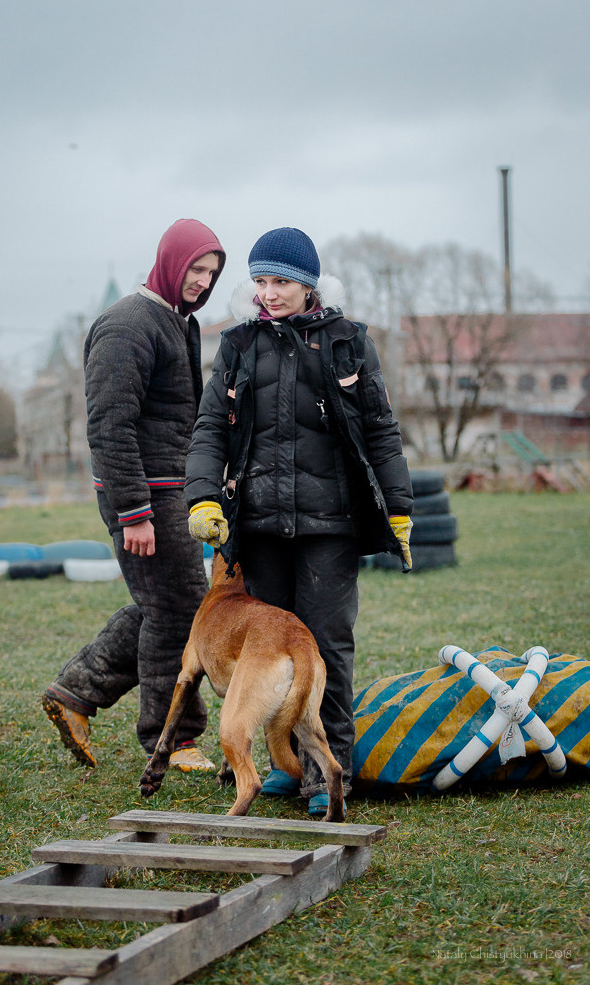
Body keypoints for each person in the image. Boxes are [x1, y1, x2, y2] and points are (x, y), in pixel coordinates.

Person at [185, 227, 413, 815]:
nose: (268, 293)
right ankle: (284, 763)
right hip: (257, 528)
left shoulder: (348, 342)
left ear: (309, 284)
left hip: (329, 526)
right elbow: (210, 427)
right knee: (268, 656)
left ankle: (327, 776)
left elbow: (382, 429)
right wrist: (204, 499)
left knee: (328, 646)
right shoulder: (237, 344)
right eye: (260, 281)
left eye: (281, 281)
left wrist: (400, 506)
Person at [42, 218, 225, 772]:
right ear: (170, 261)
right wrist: (133, 513)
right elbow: (109, 426)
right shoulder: (126, 324)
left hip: (176, 490)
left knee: (164, 606)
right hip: (145, 495)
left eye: (211, 273)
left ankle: (75, 693)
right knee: (178, 611)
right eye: (195, 268)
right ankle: (174, 739)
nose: (201, 281)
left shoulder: (177, 322)